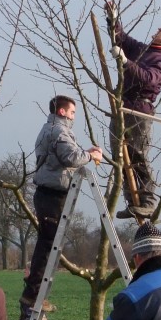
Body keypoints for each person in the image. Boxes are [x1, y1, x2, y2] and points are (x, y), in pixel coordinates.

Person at [104, 2, 161, 219]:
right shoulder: (142, 50)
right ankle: (133, 202)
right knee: (119, 157)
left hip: (139, 111)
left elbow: (149, 78)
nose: (160, 29)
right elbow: (122, 39)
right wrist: (113, 20)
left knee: (138, 155)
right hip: (122, 107)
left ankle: (147, 201)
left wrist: (125, 62)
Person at [20, 94, 102, 307]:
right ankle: (34, 293)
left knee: (47, 243)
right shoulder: (59, 130)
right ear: (62, 111)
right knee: (49, 245)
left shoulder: (48, 129)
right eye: (72, 112)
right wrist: (91, 155)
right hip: (53, 194)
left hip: (47, 192)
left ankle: (35, 290)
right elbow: (71, 158)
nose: (74, 117)